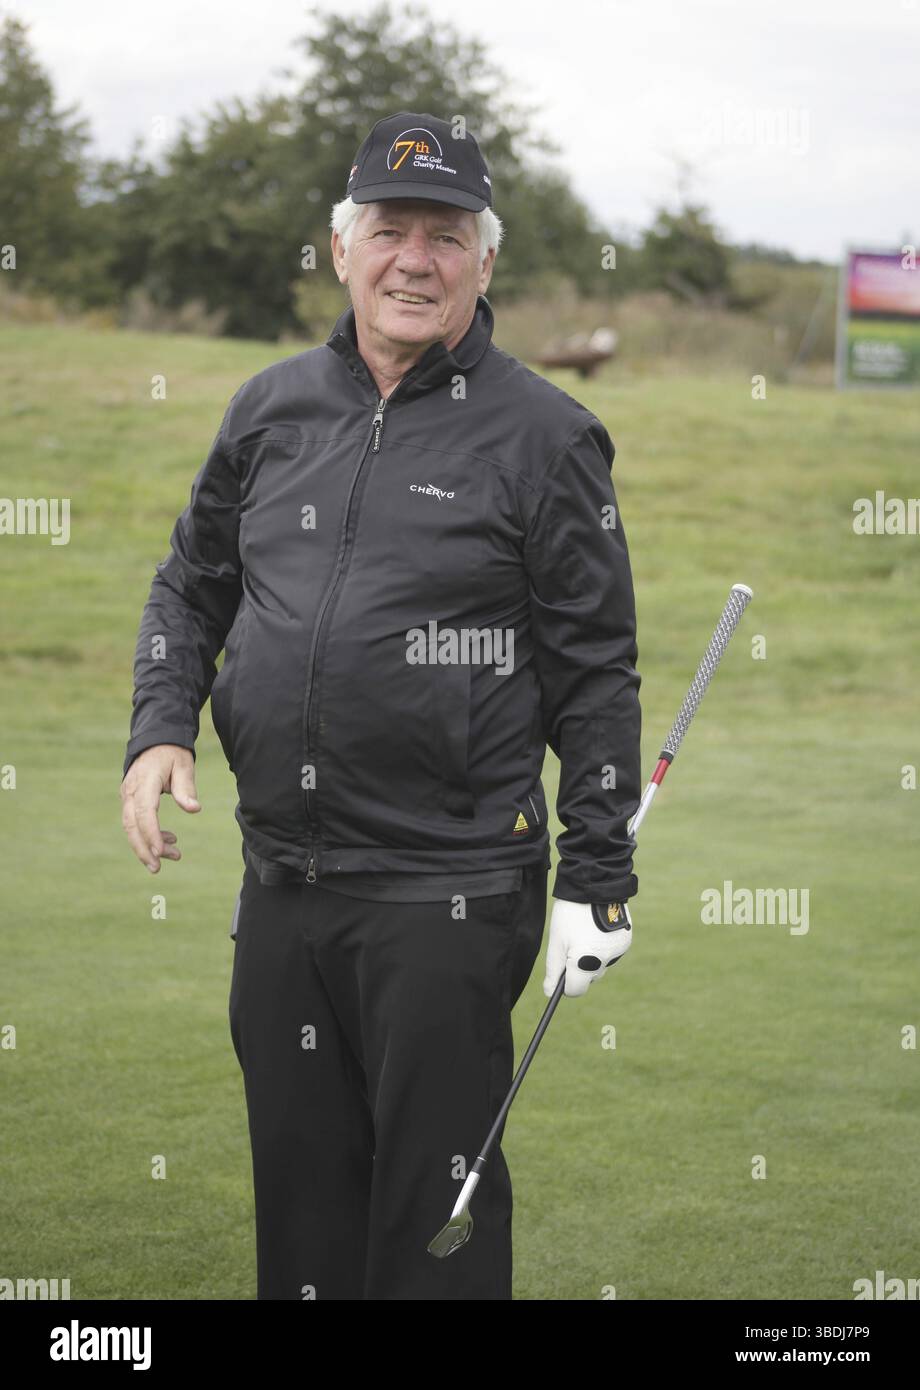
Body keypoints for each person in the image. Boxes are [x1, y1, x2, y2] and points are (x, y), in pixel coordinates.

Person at [120, 111, 642, 1301]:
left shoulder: (548, 438)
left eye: (445, 235)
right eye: (390, 230)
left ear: (485, 261)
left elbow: (594, 670)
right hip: (284, 884)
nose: (415, 258)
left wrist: (595, 874)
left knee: (430, 1225)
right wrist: (160, 726)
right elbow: (188, 584)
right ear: (342, 248)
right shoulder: (269, 410)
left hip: (445, 894)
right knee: (301, 1207)